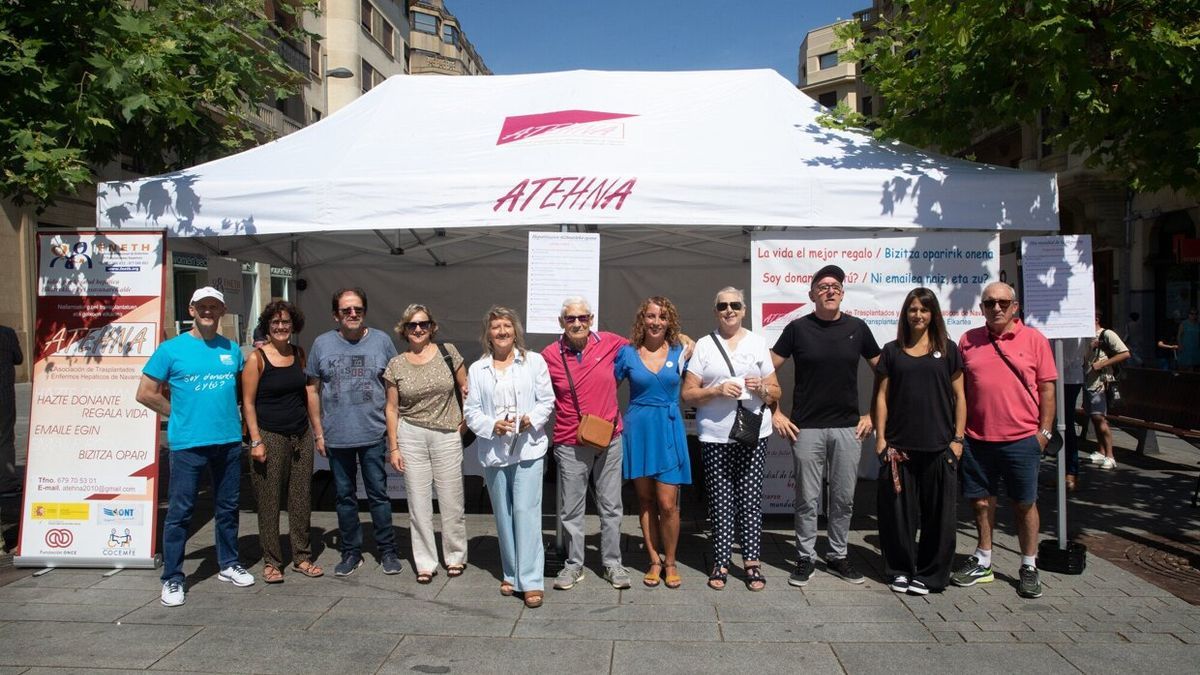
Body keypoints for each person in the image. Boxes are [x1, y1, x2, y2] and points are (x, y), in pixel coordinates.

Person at [136, 287, 254, 607]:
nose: (208, 311)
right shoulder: (170, 350)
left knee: (227, 507)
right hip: (188, 445)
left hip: (228, 442)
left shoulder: (232, 350)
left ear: (221, 312)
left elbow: (243, 394)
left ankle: (228, 564)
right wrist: (177, 413)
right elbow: (145, 392)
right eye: (202, 306)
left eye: (214, 307)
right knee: (180, 512)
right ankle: (173, 578)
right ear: (191, 310)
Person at [770, 264, 881, 587]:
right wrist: (776, 412)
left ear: (843, 294)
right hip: (806, 427)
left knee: (844, 498)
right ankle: (805, 557)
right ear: (812, 294)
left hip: (848, 427)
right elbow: (767, 368)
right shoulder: (797, 329)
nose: (830, 290)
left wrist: (872, 414)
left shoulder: (858, 328)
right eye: (823, 286)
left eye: (835, 286)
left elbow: (884, 372)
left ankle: (837, 555)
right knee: (807, 498)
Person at [952, 282, 1056, 599]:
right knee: (981, 503)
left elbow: (1048, 389)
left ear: (1015, 306)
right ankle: (984, 559)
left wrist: (1044, 434)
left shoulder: (1035, 340)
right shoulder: (968, 341)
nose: (995, 308)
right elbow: (959, 391)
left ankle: (1028, 565)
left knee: (1024, 504)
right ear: (981, 308)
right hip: (977, 439)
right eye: (988, 303)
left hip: (1022, 440)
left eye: (1002, 302)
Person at [682, 287, 781, 591]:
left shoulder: (757, 342)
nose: (729, 310)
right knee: (721, 501)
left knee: (750, 501)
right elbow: (688, 394)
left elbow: (775, 391)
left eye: (734, 305)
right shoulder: (704, 345)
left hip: (752, 431)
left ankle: (752, 562)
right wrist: (716, 390)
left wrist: (762, 389)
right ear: (716, 311)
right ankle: (722, 561)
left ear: (743, 309)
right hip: (714, 435)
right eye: (722, 305)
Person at [872, 288, 966, 595]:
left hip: (940, 447)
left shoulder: (948, 349)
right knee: (898, 516)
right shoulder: (891, 350)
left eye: (924, 310)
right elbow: (882, 397)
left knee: (939, 518)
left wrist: (957, 440)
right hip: (900, 449)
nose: (918, 315)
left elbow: (960, 397)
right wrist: (881, 439)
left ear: (933, 314)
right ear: (905, 314)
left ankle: (931, 575)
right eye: (913, 309)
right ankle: (900, 569)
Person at [305, 287, 402, 577]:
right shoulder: (322, 344)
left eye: (357, 309)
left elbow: (393, 386)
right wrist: (318, 432)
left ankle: (388, 551)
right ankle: (351, 552)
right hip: (337, 435)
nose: (352, 314)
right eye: (346, 309)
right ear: (336, 314)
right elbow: (312, 388)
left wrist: (394, 431)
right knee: (344, 497)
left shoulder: (382, 341)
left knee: (379, 495)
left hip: (373, 433)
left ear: (364, 312)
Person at [464, 306, 555, 609]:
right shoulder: (478, 369)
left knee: (527, 513)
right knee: (503, 515)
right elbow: (471, 411)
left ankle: (530, 581)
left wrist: (532, 419)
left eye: (506, 326)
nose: (502, 331)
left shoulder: (534, 362)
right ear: (487, 333)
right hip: (494, 451)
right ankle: (511, 572)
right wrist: (492, 425)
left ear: (516, 330)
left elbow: (547, 401)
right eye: (495, 327)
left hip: (528, 448)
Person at [542, 297, 631, 590]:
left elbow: (647, 345)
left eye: (582, 318)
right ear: (561, 323)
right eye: (571, 319)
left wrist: (680, 339)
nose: (577, 323)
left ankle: (612, 563)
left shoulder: (611, 342)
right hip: (569, 440)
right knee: (571, 508)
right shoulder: (549, 355)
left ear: (591, 319)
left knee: (611, 505)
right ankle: (573, 564)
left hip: (609, 437)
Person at [384, 304, 469, 583]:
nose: (418, 329)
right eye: (412, 325)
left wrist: (465, 421)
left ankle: (455, 556)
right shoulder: (396, 363)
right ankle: (425, 561)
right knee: (418, 503)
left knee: (451, 499)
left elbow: (467, 389)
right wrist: (394, 446)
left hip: (446, 433)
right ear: (404, 330)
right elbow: (391, 408)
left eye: (423, 324)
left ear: (432, 327)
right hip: (411, 435)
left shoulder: (449, 352)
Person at [241, 300, 322, 583]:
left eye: (286, 322)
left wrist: (316, 432)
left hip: (299, 436)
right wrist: (256, 441)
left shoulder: (299, 354)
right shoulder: (257, 359)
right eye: (275, 322)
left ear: (293, 326)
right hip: (269, 436)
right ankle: (272, 561)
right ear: (267, 326)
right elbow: (248, 403)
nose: (280, 327)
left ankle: (302, 556)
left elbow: (308, 395)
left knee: (300, 499)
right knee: (269, 500)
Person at [615, 297, 691, 589]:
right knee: (645, 500)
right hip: (639, 430)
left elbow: (699, 378)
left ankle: (670, 561)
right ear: (642, 320)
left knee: (668, 503)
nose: (656, 322)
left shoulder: (681, 350)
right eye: (650, 316)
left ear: (670, 322)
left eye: (662, 317)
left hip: (669, 430)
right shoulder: (627, 353)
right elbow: (606, 386)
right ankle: (653, 560)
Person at [1082, 312, 1130, 470]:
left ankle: (1110, 455)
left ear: (1096, 318)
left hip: (1101, 382)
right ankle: (1102, 451)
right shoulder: (1085, 336)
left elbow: (1125, 353)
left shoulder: (1106, 334)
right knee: (1094, 418)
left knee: (1100, 418)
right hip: (1088, 381)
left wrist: (1103, 364)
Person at [0, 324, 22, 497]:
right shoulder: (7, 332)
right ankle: (6, 481)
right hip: (4, 394)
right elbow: (19, 358)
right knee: (5, 438)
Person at [1158, 307, 1199, 372]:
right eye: (1192, 314)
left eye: (1196, 314)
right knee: (1175, 368)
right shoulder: (1181, 325)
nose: (1194, 316)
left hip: (1188, 350)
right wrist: (1174, 346)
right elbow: (1161, 343)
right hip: (1175, 352)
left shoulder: (1196, 325)